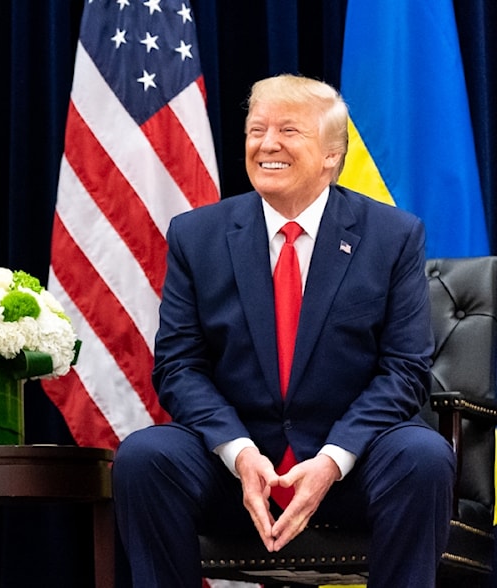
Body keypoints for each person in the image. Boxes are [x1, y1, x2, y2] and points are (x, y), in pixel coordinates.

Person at [113, 74, 455, 587]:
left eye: (289, 131)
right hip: (235, 472)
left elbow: (404, 371)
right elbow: (180, 367)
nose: (267, 144)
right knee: (144, 458)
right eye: (257, 130)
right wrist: (240, 452)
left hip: (352, 468)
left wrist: (332, 460)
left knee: (424, 458)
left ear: (331, 156)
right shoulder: (196, 235)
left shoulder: (393, 236)